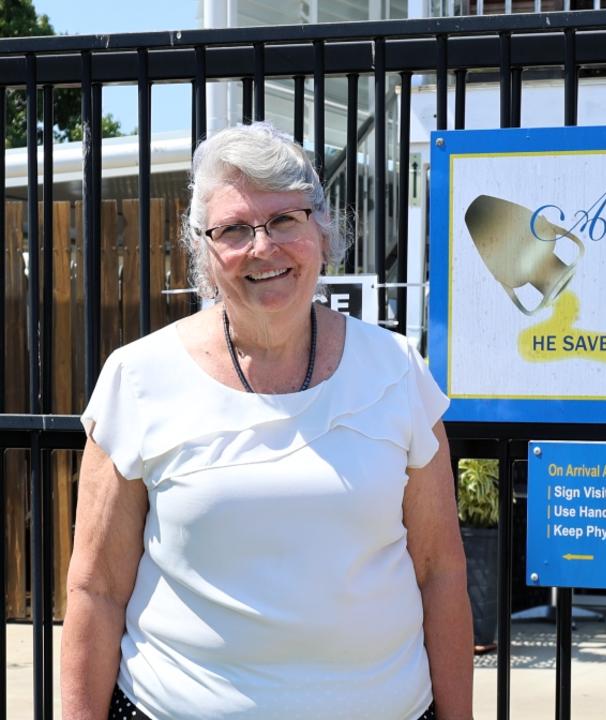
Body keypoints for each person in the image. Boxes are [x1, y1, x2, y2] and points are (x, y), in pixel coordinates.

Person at [61, 122, 473, 720]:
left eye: (285, 220)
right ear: (205, 252)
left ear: (322, 231)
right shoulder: (137, 378)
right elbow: (94, 591)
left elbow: (441, 572)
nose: (263, 247)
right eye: (233, 229)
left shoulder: (396, 371)